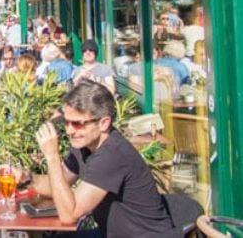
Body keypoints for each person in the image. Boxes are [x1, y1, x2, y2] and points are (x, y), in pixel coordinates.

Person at [27, 81, 172, 235]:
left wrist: (52, 157)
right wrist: (26, 179)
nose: (69, 131)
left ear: (104, 123)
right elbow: (58, 184)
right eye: (66, 122)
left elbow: (69, 215)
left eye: (77, 124)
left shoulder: (112, 154)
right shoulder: (84, 145)